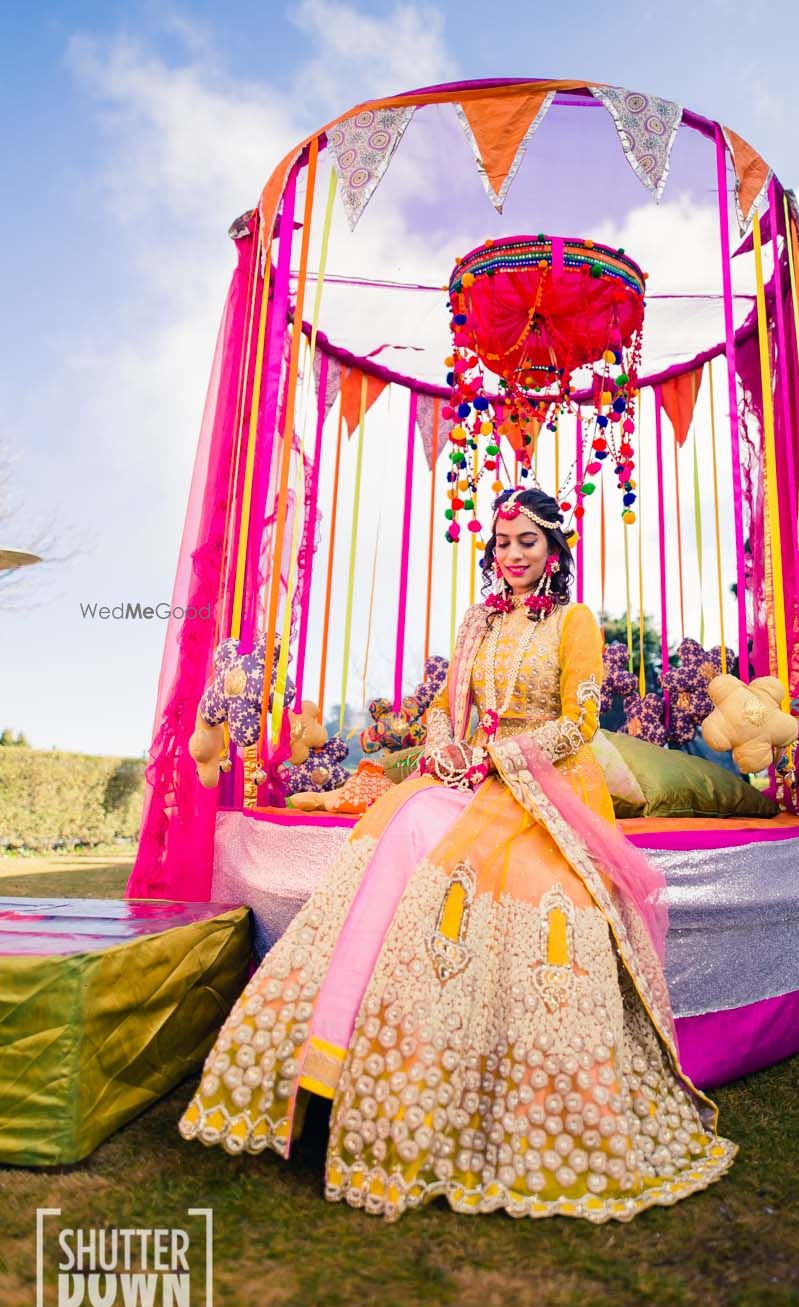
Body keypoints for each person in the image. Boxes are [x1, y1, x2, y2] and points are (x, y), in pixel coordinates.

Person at [179, 487, 737, 1220]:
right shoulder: (477, 621)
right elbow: (449, 709)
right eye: (503, 543)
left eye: (527, 543)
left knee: (504, 874)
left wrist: (501, 758)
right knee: (405, 813)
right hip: (475, 772)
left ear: (554, 551)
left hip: (549, 783)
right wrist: (447, 749)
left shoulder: (574, 623)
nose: (512, 556)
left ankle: (488, 1099)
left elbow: (580, 721)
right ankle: (330, 1061)